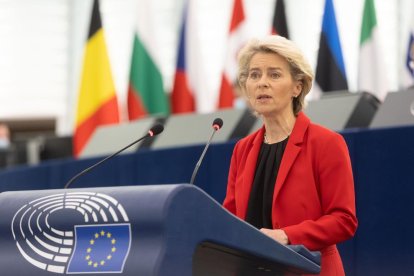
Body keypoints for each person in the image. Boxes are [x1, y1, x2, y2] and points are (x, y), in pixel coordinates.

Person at [223, 35, 358, 276]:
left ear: (298, 86)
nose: (262, 83)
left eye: (274, 74)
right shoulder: (242, 149)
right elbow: (230, 218)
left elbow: (343, 220)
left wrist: (287, 235)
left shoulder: (326, 143)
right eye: (254, 75)